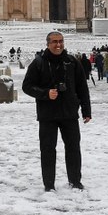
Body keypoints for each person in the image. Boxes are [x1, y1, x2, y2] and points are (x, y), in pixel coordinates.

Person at [22, 31, 92, 192]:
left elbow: (82, 88)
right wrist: (45, 94)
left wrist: (86, 111)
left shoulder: (72, 62)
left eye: (60, 41)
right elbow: (27, 86)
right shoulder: (38, 63)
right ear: (47, 44)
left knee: (73, 148)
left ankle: (75, 180)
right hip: (48, 114)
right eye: (54, 41)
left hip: (69, 113)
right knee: (47, 150)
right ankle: (49, 184)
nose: (58, 44)